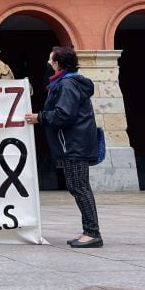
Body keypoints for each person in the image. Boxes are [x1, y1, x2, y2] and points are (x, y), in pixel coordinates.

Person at [25, 46, 103, 248]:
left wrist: (39, 117)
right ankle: (89, 230)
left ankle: (93, 233)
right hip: (76, 142)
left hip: (74, 144)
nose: (49, 63)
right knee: (78, 186)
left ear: (58, 64)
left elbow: (63, 115)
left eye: (51, 60)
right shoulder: (69, 83)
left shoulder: (67, 85)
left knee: (79, 187)